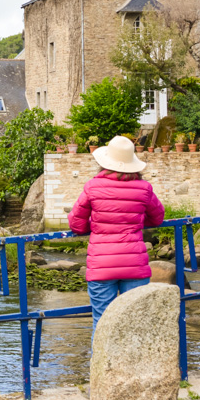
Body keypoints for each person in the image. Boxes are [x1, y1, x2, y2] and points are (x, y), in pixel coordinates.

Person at [68, 135, 165, 332]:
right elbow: (157, 218)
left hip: (101, 265)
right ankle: (134, 363)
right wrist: (135, 221)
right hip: (134, 265)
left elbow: (76, 224)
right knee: (136, 324)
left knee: (102, 323)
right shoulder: (144, 188)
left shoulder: (93, 186)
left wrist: (96, 225)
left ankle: (102, 364)